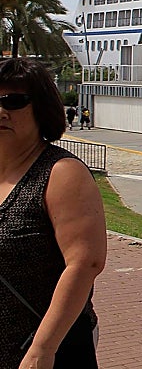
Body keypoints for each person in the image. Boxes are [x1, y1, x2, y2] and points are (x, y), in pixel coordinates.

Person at [0, 58, 107, 368]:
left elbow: (85, 263)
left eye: (15, 101)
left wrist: (42, 350)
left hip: (43, 349)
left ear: (41, 109)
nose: (2, 110)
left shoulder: (61, 174)